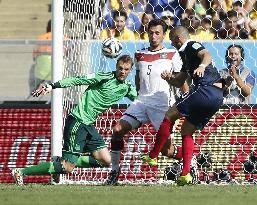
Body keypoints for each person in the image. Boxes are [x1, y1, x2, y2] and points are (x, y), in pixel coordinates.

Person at [12, 55, 137, 186]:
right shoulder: (104, 77)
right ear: (116, 66)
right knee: (67, 168)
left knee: (106, 160)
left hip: (88, 125)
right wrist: (52, 86)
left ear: (131, 70)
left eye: (126, 69)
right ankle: (21, 171)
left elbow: (140, 100)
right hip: (77, 121)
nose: (122, 72)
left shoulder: (128, 87)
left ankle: (59, 163)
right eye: (120, 68)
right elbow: (78, 80)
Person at [106, 19, 189, 185]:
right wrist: (138, 97)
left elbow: (182, 82)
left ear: (163, 34)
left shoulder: (173, 54)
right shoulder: (139, 54)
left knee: (166, 150)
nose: (153, 36)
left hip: (163, 105)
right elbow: (138, 78)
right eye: (151, 32)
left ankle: (189, 161)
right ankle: (114, 171)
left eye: (157, 33)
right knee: (117, 130)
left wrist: (185, 109)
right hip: (142, 102)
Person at [141, 26, 224, 186]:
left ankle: (152, 156)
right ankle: (186, 174)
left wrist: (202, 66)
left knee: (169, 115)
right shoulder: (185, 56)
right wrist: (169, 79)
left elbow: (206, 54)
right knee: (186, 131)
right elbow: (180, 81)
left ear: (178, 38)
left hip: (206, 90)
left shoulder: (191, 45)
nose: (172, 43)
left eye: (172, 40)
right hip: (217, 97)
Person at [29, 20, 52, 93]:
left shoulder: (40, 38)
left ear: (47, 27)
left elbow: (34, 57)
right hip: (59, 73)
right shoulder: (65, 39)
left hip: (41, 73)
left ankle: (34, 98)